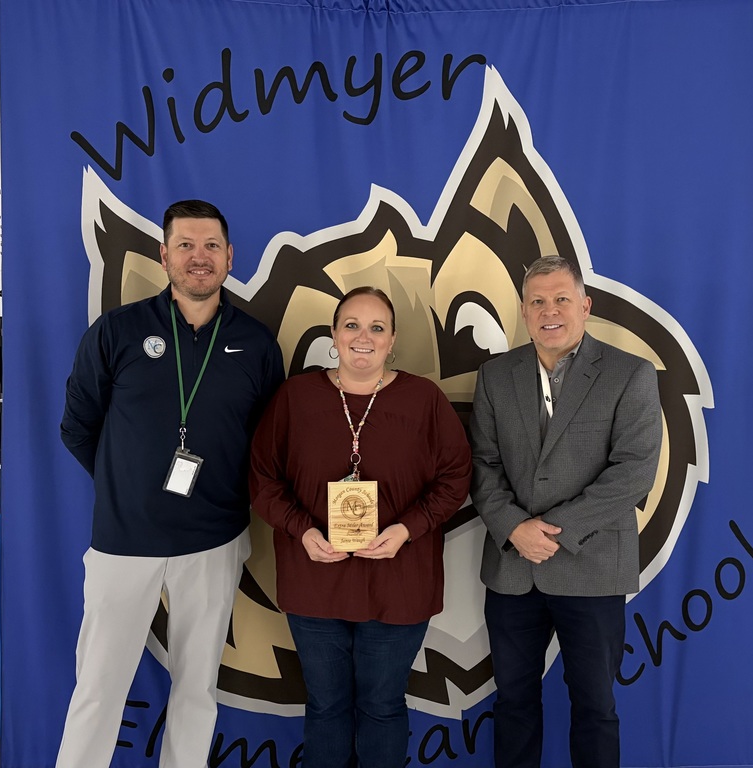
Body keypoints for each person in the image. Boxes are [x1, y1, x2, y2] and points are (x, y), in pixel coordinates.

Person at [58, 200, 284, 768]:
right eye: (185, 245)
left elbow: (267, 445)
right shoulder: (118, 331)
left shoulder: (256, 344)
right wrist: (124, 486)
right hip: (122, 542)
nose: (198, 257)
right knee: (97, 689)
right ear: (164, 255)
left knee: (197, 689)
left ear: (231, 257)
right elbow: (77, 427)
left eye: (211, 246)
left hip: (213, 540)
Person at [249, 286, 471, 768]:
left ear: (393, 340)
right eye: (351, 325)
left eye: (377, 328)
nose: (363, 337)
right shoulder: (296, 397)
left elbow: (456, 478)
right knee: (326, 707)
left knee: (382, 707)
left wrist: (408, 529)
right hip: (315, 582)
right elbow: (263, 478)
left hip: (399, 582)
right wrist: (301, 530)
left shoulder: (423, 400)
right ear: (334, 334)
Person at [470, 255, 663, 768]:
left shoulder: (631, 374)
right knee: (513, 705)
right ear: (523, 310)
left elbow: (633, 472)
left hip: (593, 571)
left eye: (560, 299)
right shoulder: (495, 376)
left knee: (596, 708)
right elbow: (482, 466)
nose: (548, 311)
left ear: (585, 305)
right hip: (513, 571)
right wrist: (514, 528)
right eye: (537, 301)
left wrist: (554, 532)